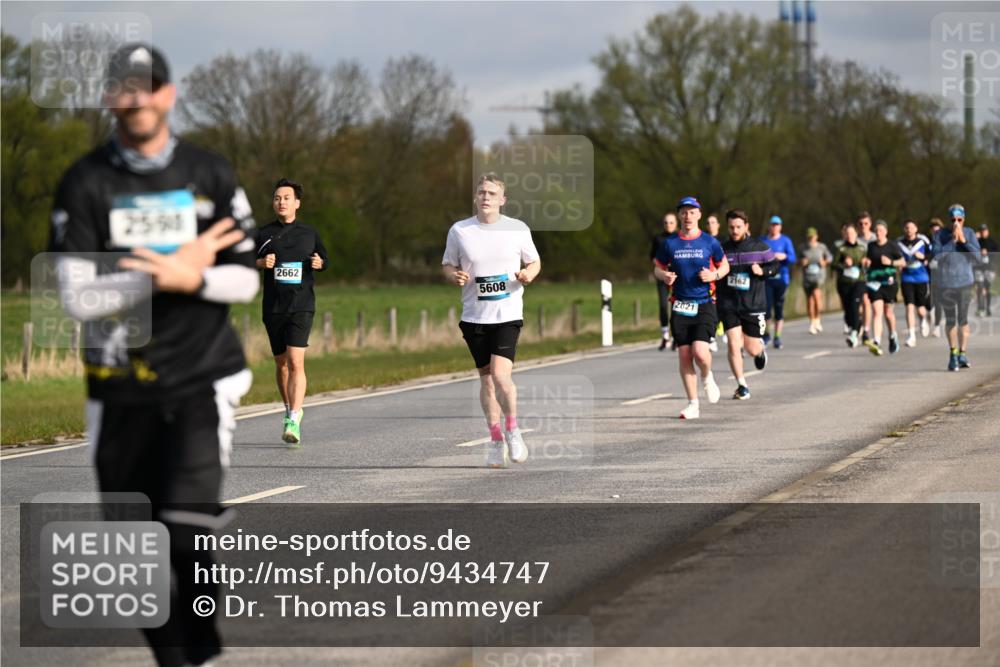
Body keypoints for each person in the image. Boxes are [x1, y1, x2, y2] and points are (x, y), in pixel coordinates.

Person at [49, 43, 258, 667]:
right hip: (118, 387)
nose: (137, 97)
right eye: (124, 86)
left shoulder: (210, 174)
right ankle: (179, 657)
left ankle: (199, 648)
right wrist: (161, 275)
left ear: (168, 93)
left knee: (186, 528)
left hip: (202, 378)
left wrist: (191, 278)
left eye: (149, 84)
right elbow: (77, 295)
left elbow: (246, 280)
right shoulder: (86, 181)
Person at [442, 173, 541, 468]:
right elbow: (448, 263)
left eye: (492, 193)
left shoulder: (517, 229)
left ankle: (513, 430)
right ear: (475, 197)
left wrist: (528, 274)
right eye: (482, 192)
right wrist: (454, 275)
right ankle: (495, 440)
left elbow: (534, 261)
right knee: (486, 381)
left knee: (500, 376)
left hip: (507, 314)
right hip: (474, 316)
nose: (486, 197)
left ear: (502, 200)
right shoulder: (460, 230)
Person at [254, 178, 328, 446]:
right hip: (273, 307)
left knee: (296, 361)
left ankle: (293, 418)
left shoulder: (309, 233)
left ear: (297, 203)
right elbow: (243, 261)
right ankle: (289, 409)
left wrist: (320, 262)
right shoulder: (262, 234)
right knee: (281, 363)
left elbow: (324, 259)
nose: (281, 202)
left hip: (301, 306)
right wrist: (261, 262)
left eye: (286, 197)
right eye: (277, 198)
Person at [654, 196, 729, 419]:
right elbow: (657, 267)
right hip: (680, 305)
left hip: (705, 303)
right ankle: (693, 403)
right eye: (684, 212)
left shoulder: (709, 242)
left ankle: (707, 377)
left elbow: (724, 265)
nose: (688, 216)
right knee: (685, 355)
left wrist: (714, 274)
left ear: (699, 215)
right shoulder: (670, 244)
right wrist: (664, 276)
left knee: (701, 353)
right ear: (679, 215)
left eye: (692, 212)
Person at [717, 209, 777, 399]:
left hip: (753, 304)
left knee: (750, 349)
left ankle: (760, 352)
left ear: (746, 227)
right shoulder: (722, 248)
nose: (735, 230)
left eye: (738, 227)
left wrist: (762, 271)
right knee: (734, 344)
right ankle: (742, 385)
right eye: (731, 227)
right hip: (729, 303)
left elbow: (775, 267)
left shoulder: (760, 247)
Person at [931, 204, 985, 371]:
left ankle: (963, 352)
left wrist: (963, 241)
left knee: (963, 319)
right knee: (950, 320)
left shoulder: (969, 233)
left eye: (959, 219)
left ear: (964, 219)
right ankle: (953, 353)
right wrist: (952, 241)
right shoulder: (940, 235)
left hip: (965, 282)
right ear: (949, 220)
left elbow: (977, 257)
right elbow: (936, 256)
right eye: (953, 220)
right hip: (945, 283)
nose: (956, 222)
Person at [861, 220, 906, 355]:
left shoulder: (892, 246)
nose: (878, 233)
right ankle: (876, 341)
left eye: (880, 231)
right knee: (877, 311)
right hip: (874, 283)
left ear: (886, 232)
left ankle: (893, 335)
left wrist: (890, 262)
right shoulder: (871, 246)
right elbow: (869, 260)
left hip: (889, 283)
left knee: (888, 313)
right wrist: (867, 262)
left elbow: (902, 261)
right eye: (876, 231)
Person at [761, 215, 796, 348]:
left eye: (777, 225)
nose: (774, 227)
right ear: (769, 226)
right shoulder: (763, 240)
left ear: (780, 227)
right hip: (766, 280)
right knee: (766, 309)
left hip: (782, 279)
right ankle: (766, 334)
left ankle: (777, 336)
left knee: (779, 308)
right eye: (772, 225)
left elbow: (793, 258)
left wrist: (784, 256)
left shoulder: (786, 241)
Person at [897, 219, 932, 346]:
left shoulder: (923, 241)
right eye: (906, 228)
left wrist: (924, 257)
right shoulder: (899, 243)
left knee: (921, 309)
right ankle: (912, 336)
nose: (909, 230)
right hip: (907, 278)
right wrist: (899, 264)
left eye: (911, 227)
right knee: (909, 306)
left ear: (916, 229)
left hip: (922, 277)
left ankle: (923, 320)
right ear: (904, 229)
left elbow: (932, 254)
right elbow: (895, 257)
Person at [834, 222, 867, 347]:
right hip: (844, 282)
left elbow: (868, 261)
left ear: (856, 234)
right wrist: (843, 265)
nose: (849, 235)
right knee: (848, 310)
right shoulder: (841, 248)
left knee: (855, 304)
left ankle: (853, 333)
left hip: (859, 281)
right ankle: (856, 324)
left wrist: (865, 262)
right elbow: (834, 265)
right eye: (847, 233)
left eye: (852, 233)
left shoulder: (862, 248)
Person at [650, 212, 678, 350]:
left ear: (676, 224)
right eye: (666, 222)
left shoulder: (680, 238)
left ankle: (675, 337)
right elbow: (653, 257)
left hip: (676, 277)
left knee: (675, 307)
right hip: (663, 277)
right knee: (662, 305)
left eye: (671, 222)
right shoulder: (658, 238)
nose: (669, 225)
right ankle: (665, 335)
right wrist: (662, 267)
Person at [799, 227, 833, 334]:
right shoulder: (802, 248)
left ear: (816, 237)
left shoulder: (821, 247)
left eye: (812, 237)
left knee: (817, 297)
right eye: (809, 237)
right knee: (809, 301)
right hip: (807, 277)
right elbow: (796, 260)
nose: (811, 239)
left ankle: (818, 319)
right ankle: (812, 322)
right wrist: (801, 262)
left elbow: (830, 257)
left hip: (819, 277)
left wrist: (825, 262)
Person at [856, 212, 877, 343]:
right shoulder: (855, 240)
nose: (863, 226)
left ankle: (866, 330)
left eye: (866, 223)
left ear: (870, 224)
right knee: (859, 306)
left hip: (874, 275)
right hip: (859, 275)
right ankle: (860, 323)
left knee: (866, 301)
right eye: (860, 224)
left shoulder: (875, 238)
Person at [974, 223, 997, 316]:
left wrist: (988, 252)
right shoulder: (977, 242)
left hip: (989, 269)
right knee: (980, 287)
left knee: (987, 288)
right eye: (982, 231)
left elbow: (996, 255)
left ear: (988, 231)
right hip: (979, 268)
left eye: (985, 230)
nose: (983, 232)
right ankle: (981, 308)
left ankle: (987, 308)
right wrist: (975, 238)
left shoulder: (992, 242)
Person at [927, 218, 945, 337]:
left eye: (937, 230)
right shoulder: (927, 242)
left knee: (938, 300)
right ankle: (930, 311)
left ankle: (937, 327)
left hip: (941, 274)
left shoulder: (945, 242)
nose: (935, 233)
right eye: (933, 230)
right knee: (928, 298)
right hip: (927, 273)